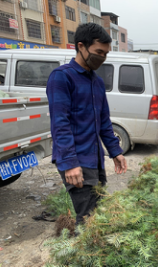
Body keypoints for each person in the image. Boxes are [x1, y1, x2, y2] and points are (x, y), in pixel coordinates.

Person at [47, 23, 128, 225]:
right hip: (76, 159)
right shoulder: (62, 77)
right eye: (98, 52)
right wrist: (70, 164)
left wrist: (115, 151)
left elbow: (103, 122)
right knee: (86, 217)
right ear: (81, 46)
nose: (102, 58)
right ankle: (83, 254)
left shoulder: (96, 82)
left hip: (95, 159)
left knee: (96, 211)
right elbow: (60, 124)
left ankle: (94, 251)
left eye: (106, 54)